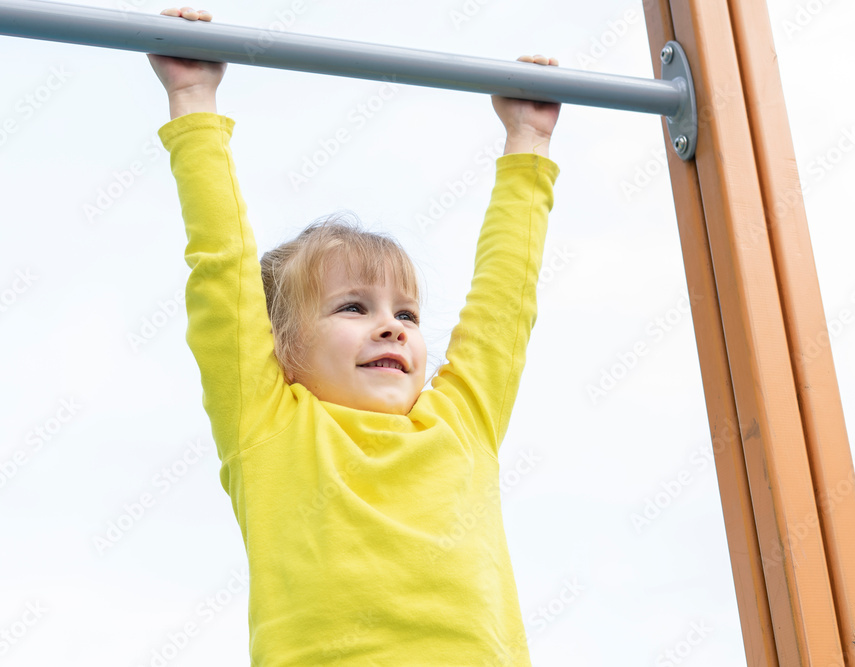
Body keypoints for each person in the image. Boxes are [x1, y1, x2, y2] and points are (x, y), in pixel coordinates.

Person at [148, 7, 561, 665]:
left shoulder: (461, 422)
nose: (391, 325)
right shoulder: (271, 425)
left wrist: (527, 141)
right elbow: (221, 269)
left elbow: (505, 303)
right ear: (283, 349)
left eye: (408, 313)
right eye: (352, 306)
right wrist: (193, 99)